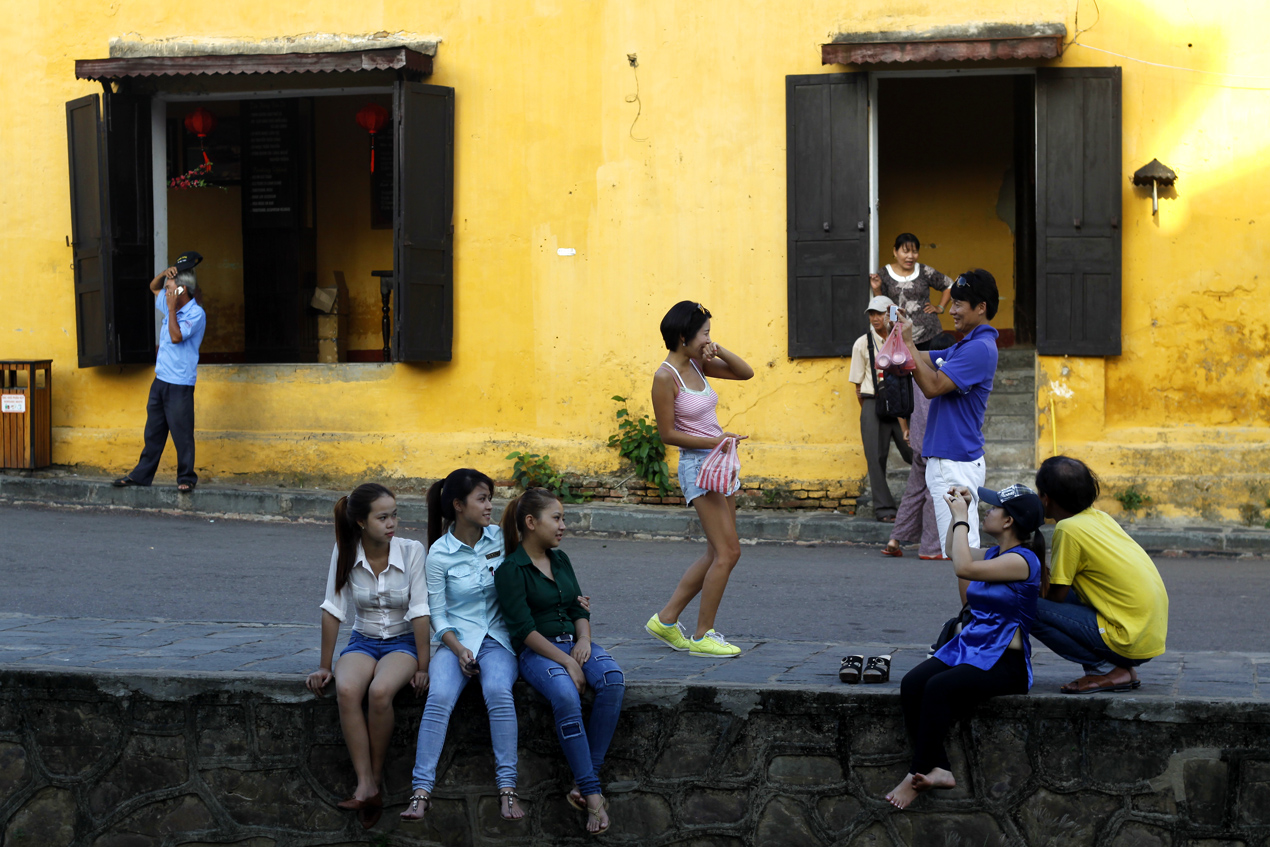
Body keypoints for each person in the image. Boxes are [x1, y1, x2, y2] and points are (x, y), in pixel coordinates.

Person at [887, 482, 1047, 811]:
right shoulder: (993, 554)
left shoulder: (1024, 561)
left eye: (993, 508)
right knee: (913, 684)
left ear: (1008, 522)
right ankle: (940, 767)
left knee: (938, 688)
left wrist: (963, 516)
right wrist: (959, 511)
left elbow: (964, 567)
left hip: (1005, 661)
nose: (987, 510)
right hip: (970, 648)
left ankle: (916, 772)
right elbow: (954, 552)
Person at [496, 488, 626, 836]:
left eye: (563, 518)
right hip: (539, 652)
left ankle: (583, 783)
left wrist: (583, 641)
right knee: (566, 695)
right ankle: (593, 793)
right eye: (556, 518)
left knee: (612, 679)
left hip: (575, 642)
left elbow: (576, 607)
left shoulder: (560, 559)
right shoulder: (510, 569)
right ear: (530, 522)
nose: (563, 525)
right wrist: (568, 663)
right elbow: (523, 629)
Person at [400, 469, 527, 825]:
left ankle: (507, 789)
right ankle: (420, 793)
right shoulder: (439, 555)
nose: (490, 506)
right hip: (455, 643)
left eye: (490, 498)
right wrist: (457, 650)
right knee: (438, 697)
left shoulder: (502, 539)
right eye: (482, 499)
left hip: (498, 640)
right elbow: (437, 616)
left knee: (498, 690)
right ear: (458, 505)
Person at [305, 483, 429, 829]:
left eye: (395, 515)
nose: (392, 523)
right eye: (383, 517)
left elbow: (420, 609)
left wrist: (423, 666)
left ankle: (373, 782)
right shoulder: (345, 550)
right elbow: (333, 609)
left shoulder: (411, 551)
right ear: (361, 521)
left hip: (402, 642)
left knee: (379, 692)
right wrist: (324, 666)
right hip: (363, 640)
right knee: (346, 690)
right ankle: (365, 783)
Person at [645, 301, 755, 658]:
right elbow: (668, 434)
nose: (709, 338)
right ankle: (702, 635)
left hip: (720, 464)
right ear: (682, 336)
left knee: (716, 551)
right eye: (704, 333)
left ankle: (666, 619)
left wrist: (717, 349)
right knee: (729, 551)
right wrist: (715, 441)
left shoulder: (699, 363)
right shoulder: (665, 378)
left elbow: (745, 373)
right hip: (699, 466)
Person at [1032, 456, 1170, 694]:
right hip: (1147, 633)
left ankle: (1106, 668)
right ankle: (1114, 667)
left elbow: (1056, 596)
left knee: (1023, 607)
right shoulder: (1099, 517)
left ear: (1046, 498)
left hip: (1127, 637)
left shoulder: (1067, 529)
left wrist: (1032, 581)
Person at [897, 269, 1000, 554]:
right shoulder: (964, 346)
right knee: (960, 549)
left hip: (952, 460)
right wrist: (902, 345)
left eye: (958, 304)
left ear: (981, 308)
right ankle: (978, 597)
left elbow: (932, 386)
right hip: (954, 458)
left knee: (960, 550)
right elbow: (919, 359)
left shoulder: (977, 348)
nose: (951, 311)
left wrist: (907, 343)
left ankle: (981, 595)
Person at [113, 251, 207, 493]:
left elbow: (176, 337)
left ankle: (186, 478)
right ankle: (141, 476)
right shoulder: (169, 302)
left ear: (181, 291)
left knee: (182, 434)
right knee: (153, 432)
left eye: (170, 287)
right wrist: (165, 274)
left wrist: (172, 308)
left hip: (180, 384)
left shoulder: (195, 314)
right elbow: (152, 286)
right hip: (161, 380)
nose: (165, 290)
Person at [881, 332, 956, 557]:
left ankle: (895, 539)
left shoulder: (919, 377)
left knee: (913, 492)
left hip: (918, 441)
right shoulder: (945, 380)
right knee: (934, 495)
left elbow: (904, 404)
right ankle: (931, 547)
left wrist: (906, 429)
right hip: (937, 444)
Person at [848, 295, 913, 523]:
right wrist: (869, 410)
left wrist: (900, 318)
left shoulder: (901, 338)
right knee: (875, 457)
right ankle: (885, 509)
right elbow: (857, 385)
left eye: (880, 313)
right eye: (872, 314)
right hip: (872, 401)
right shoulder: (862, 343)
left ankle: (926, 498)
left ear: (889, 313)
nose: (875, 318)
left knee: (912, 451)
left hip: (899, 402)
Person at [869, 233, 954, 351]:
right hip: (898, 335)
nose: (911, 256)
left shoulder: (924, 271)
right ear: (895, 251)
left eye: (914, 252)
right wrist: (877, 288)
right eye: (906, 251)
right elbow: (882, 304)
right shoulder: (884, 273)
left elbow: (949, 285)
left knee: (930, 367)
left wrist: (940, 307)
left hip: (929, 334)